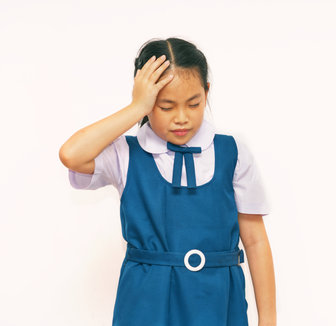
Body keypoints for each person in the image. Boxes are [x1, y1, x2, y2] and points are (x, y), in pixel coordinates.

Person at [59, 37, 276, 326]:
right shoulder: (126, 153)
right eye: (166, 107)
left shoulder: (231, 151)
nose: (182, 118)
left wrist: (269, 321)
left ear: (207, 92)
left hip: (217, 300)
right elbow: (71, 154)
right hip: (146, 301)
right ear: (147, 101)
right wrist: (136, 108)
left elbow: (256, 240)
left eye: (194, 103)